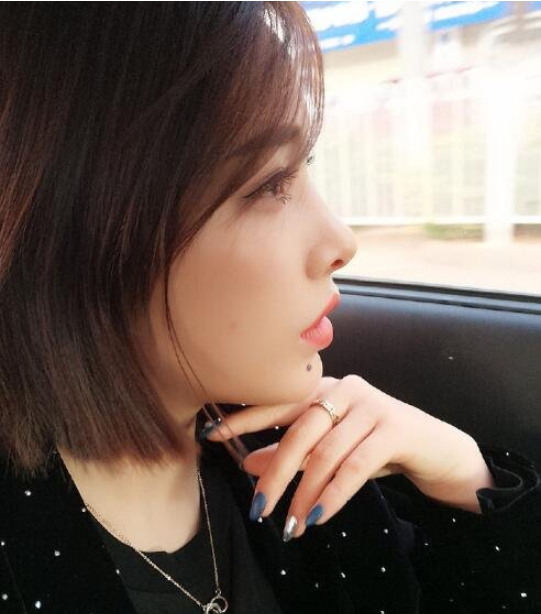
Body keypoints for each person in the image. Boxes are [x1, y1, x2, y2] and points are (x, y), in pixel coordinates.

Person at [0, 3, 539, 613]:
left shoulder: (303, 456)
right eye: (268, 184)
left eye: (305, 167)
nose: (341, 241)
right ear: (82, 229)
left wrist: (462, 477)